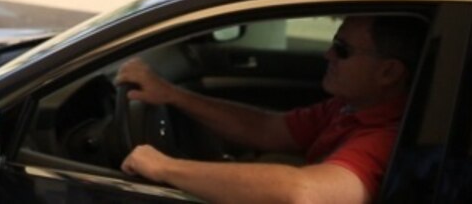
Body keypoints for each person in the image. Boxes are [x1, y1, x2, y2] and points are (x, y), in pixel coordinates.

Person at [116, 15, 426, 204]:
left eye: (343, 50)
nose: (327, 53)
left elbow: (304, 195)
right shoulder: (350, 106)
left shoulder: (387, 137)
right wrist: (172, 95)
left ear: (388, 73)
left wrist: (165, 168)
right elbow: (268, 129)